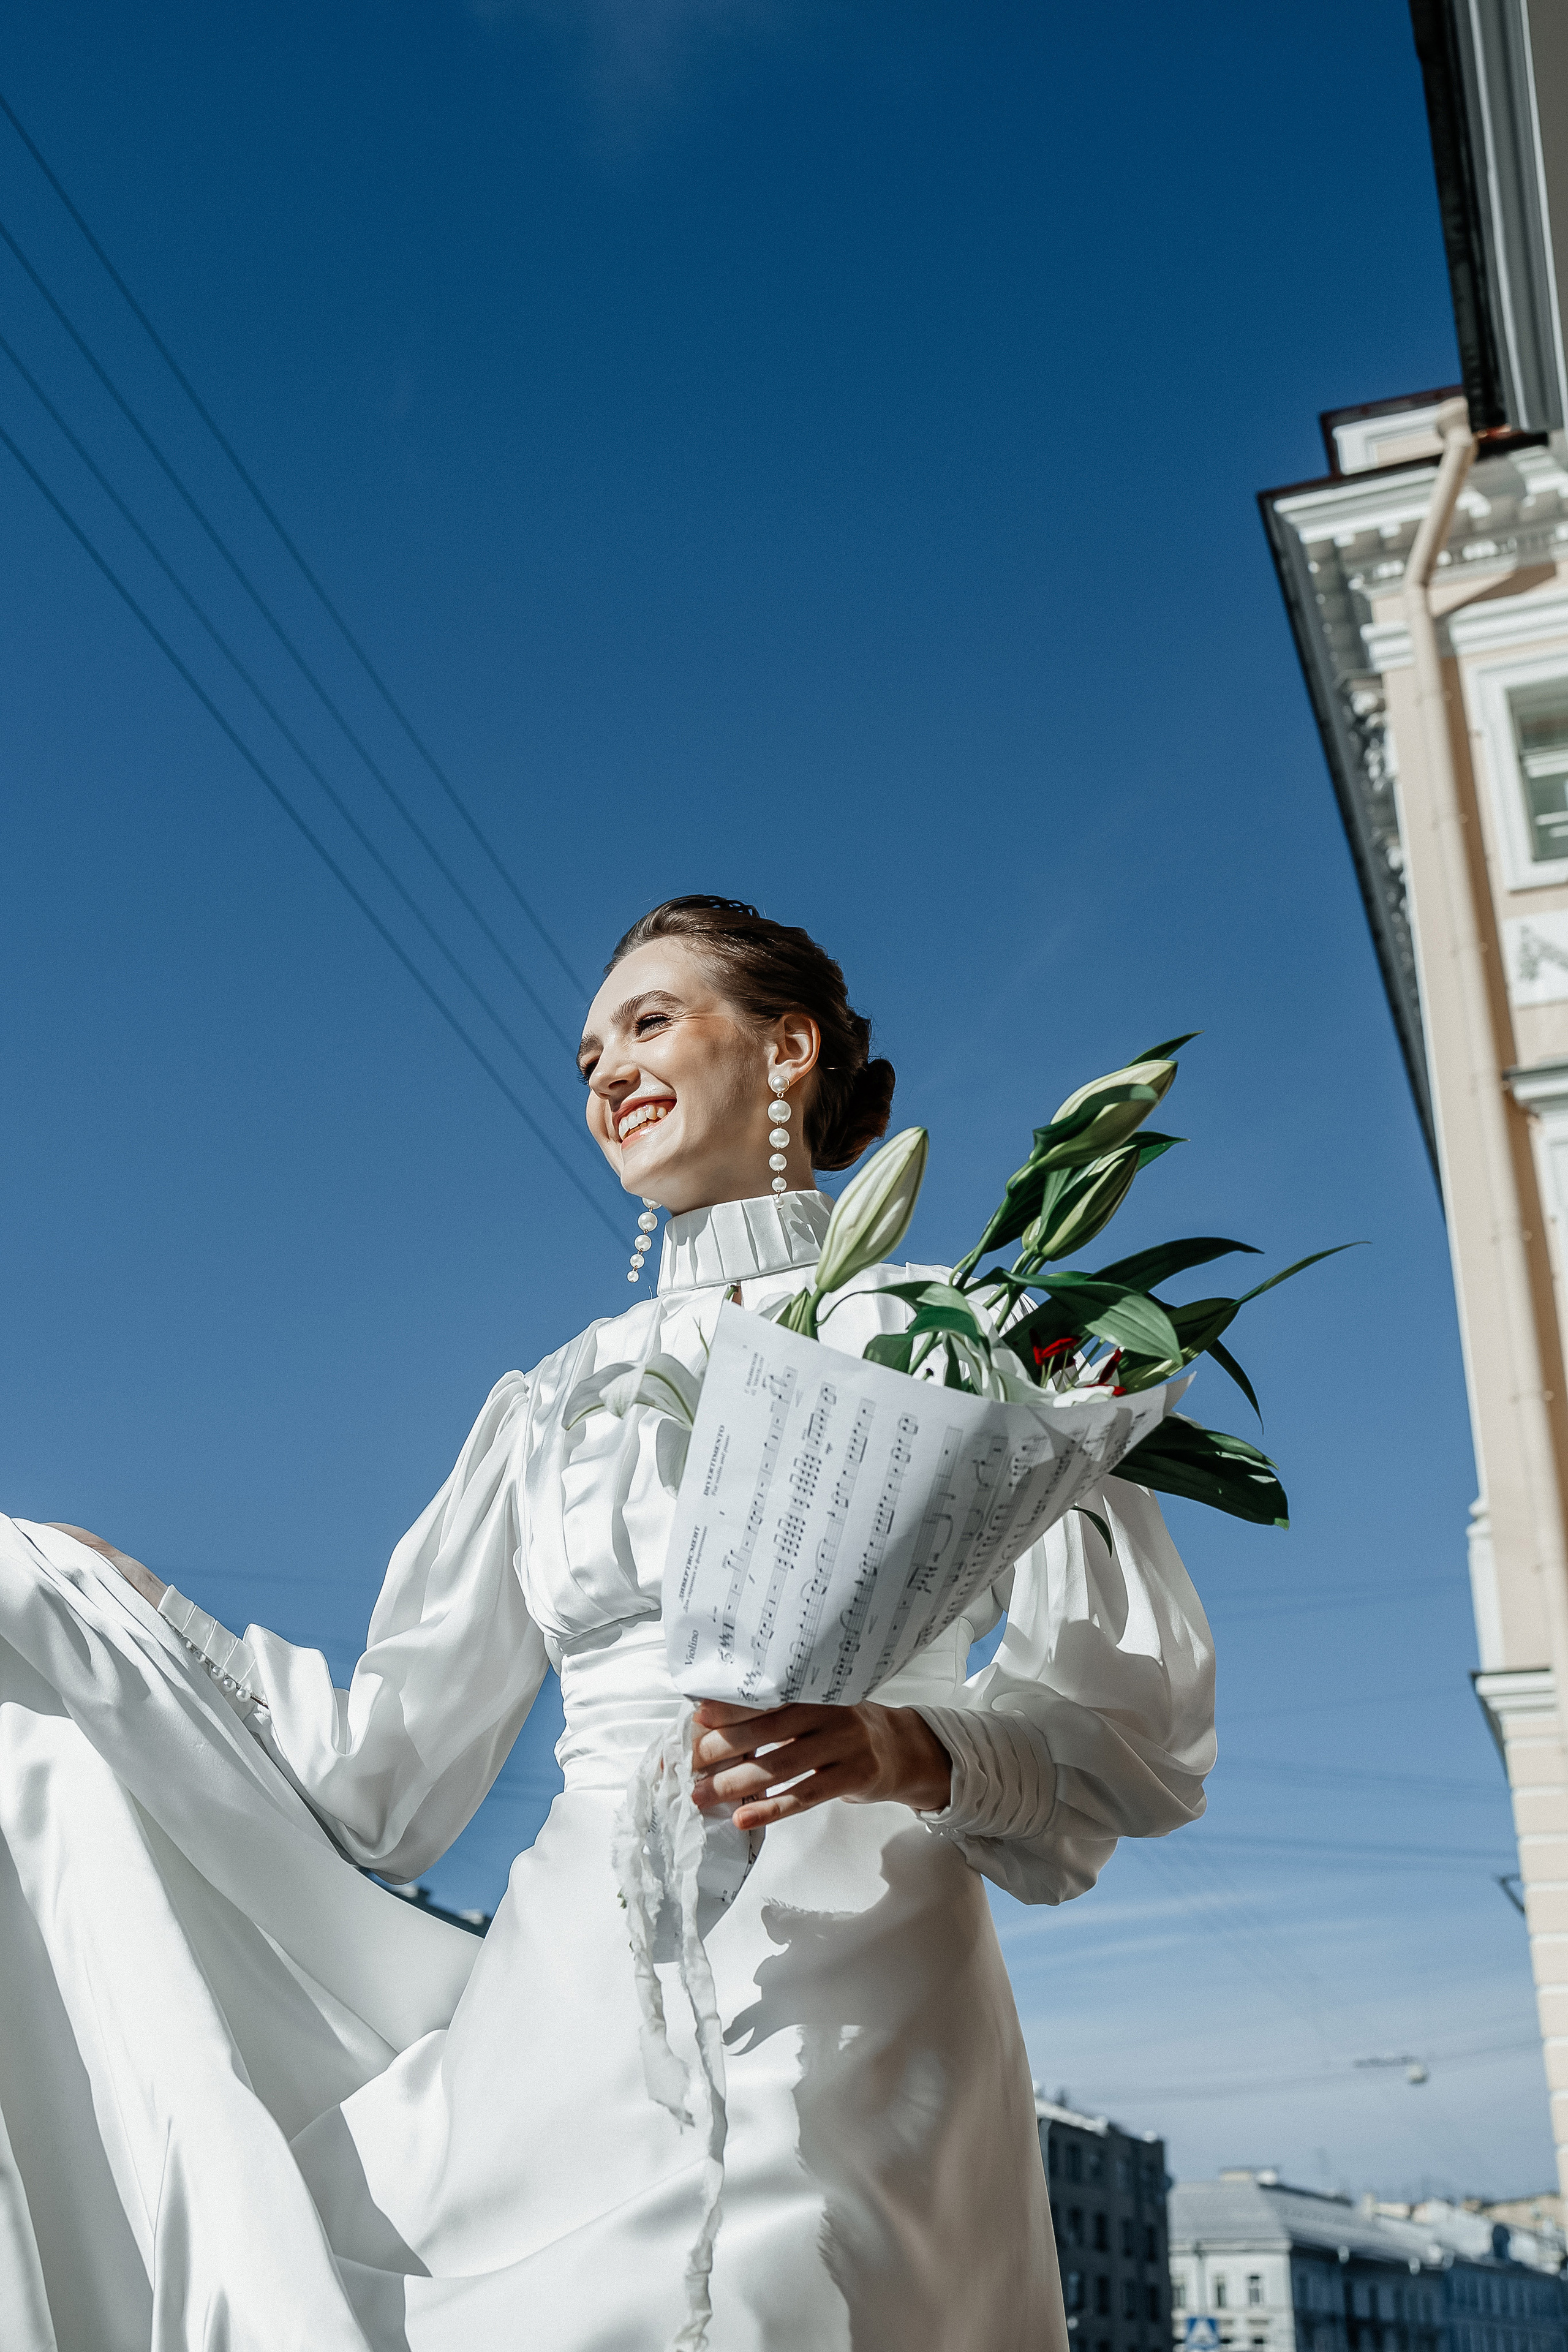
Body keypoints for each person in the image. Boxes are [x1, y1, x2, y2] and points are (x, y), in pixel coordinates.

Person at [0, 895, 1216, 2352]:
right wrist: (128, 1607)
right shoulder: (548, 1404)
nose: (605, 1076)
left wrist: (897, 1746)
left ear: (787, 1049)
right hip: (572, 1996)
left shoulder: (974, 1341)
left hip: (862, 1987)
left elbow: (1123, 1733)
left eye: (647, 1022)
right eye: (586, 1056)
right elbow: (380, 1777)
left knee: (793, 2294)